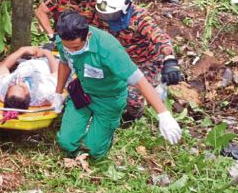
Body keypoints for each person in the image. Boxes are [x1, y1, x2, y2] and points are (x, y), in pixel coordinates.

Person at [49, 11, 182, 159]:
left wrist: (163, 114)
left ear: (88, 36)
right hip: (82, 92)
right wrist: (58, 93)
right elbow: (64, 62)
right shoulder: (63, 40)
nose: (71, 51)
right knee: (66, 142)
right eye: (68, 48)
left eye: (76, 47)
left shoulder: (109, 49)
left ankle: (103, 138)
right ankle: (77, 151)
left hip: (109, 99)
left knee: (94, 151)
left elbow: (140, 81)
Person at [94, 0, 184, 120]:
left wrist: (170, 60)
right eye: (106, 16)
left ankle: (133, 116)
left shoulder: (139, 18)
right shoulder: (103, 16)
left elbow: (160, 37)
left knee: (132, 97)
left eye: (113, 15)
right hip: (118, 60)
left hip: (146, 63)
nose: (109, 20)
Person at [0, 46, 59, 110]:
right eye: (21, 86)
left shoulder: (1, 89)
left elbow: (4, 66)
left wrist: (22, 50)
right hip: (48, 62)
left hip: (25, 61)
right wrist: (47, 53)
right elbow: (57, 72)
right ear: (27, 93)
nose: (17, 81)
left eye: (12, 85)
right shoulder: (44, 93)